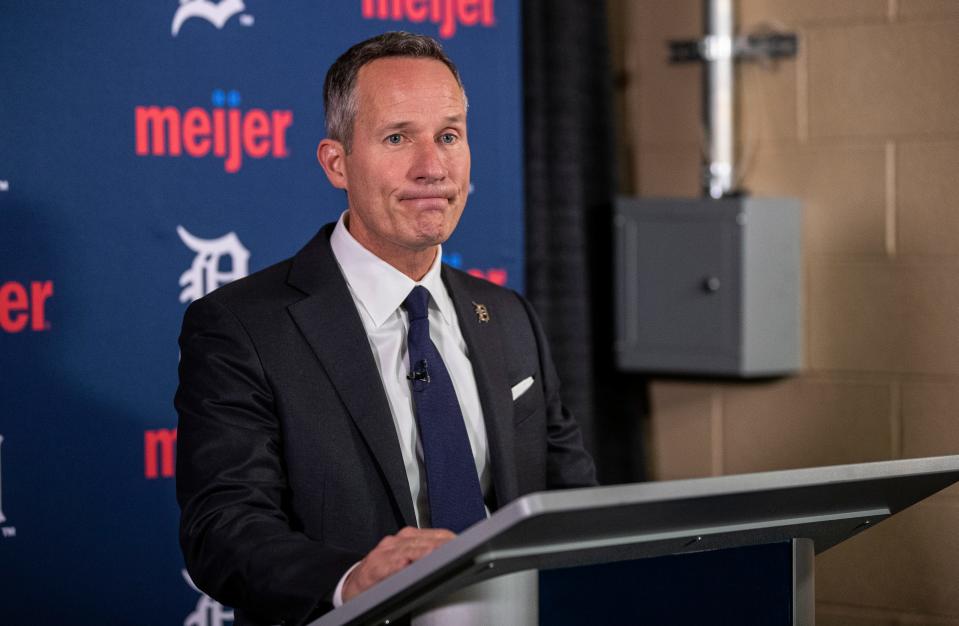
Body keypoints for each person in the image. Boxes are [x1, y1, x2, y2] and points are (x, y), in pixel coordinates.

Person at [175, 31, 596, 626]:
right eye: (398, 138)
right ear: (336, 162)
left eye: (449, 136)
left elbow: (570, 504)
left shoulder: (509, 317)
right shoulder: (242, 327)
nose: (433, 167)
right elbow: (223, 532)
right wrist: (352, 581)